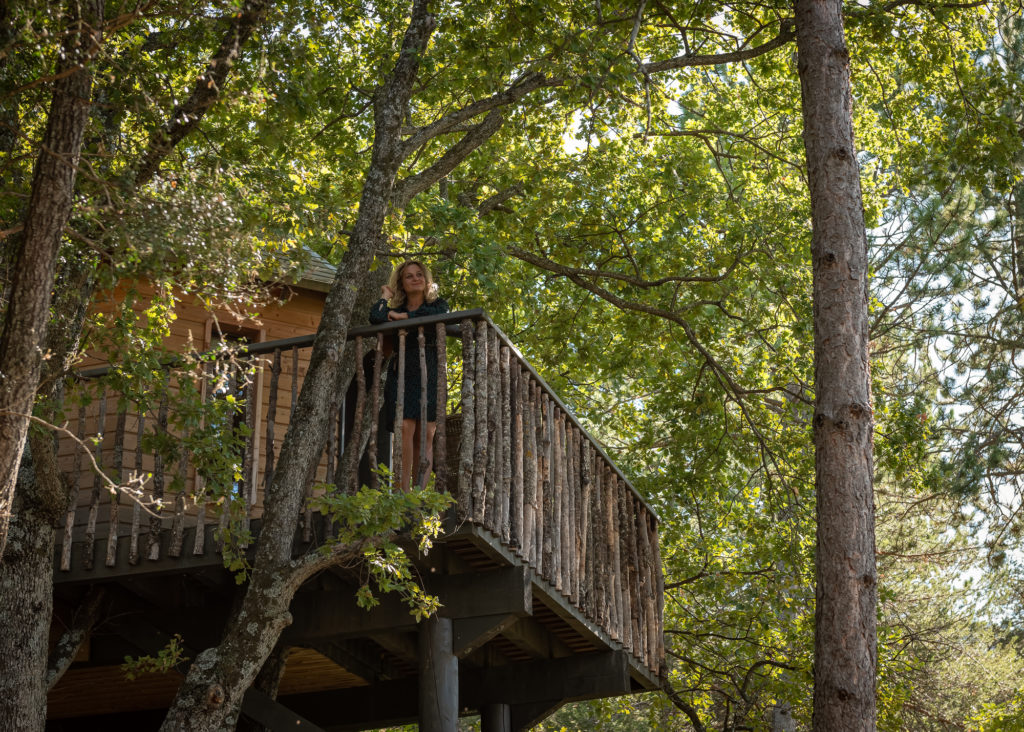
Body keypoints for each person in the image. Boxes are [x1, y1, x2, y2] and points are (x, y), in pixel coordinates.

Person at [369, 260, 449, 491]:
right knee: (404, 426)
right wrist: (385, 296)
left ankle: (419, 495)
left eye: (419, 274)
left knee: (425, 434)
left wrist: (402, 319)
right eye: (409, 276)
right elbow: (375, 317)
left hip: (430, 372)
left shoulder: (437, 305)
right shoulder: (397, 309)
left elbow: (437, 314)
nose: (415, 278)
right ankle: (402, 492)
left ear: (426, 279)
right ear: (402, 284)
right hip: (403, 371)